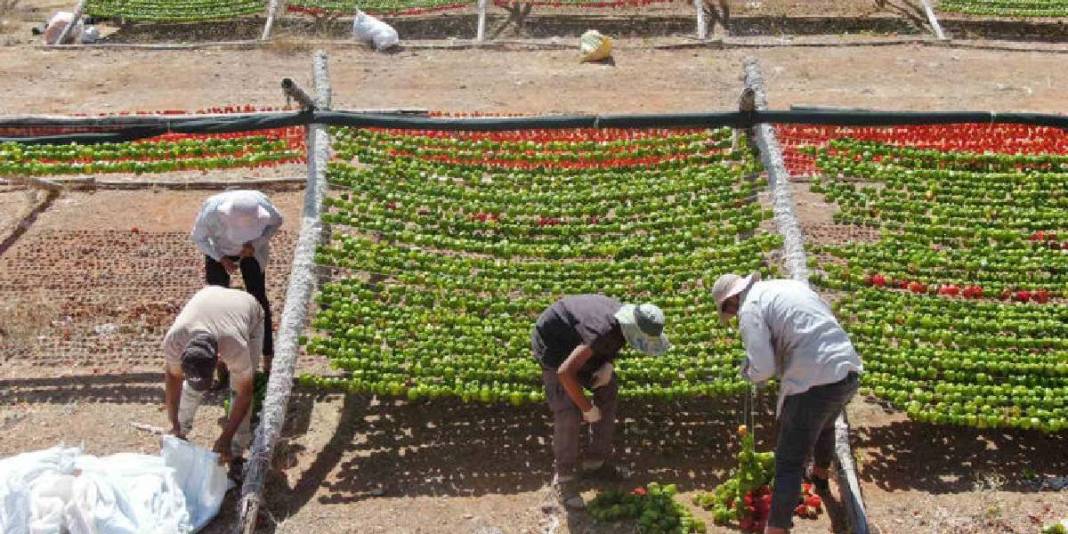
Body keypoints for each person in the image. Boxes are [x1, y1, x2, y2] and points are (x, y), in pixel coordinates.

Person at [712, 273, 862, 534]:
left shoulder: (750, 308)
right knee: (825, 424)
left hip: (813, 380)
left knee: (789, 462)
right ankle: (820, 476)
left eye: (728, 308)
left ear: (732, 299)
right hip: (846, 371)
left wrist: (748, 371)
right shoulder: (787, 287)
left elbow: (764, 367)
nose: (733, 313)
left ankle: (776, 528)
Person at [531, 295, 671, 509]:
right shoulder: (602, 331)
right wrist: (587, 408)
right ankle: (565, 478)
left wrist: (606, 364)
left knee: (608, 390)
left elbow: (607, 344)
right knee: (568, 410)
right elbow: (565, 372)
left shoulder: (622, 324)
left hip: (579, 340)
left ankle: (595, 463)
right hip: (555, 344)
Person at [163, 285, 267, 478]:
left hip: (249, 310)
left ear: (219, 358)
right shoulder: (174, 341)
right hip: (210, 298)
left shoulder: (235, 346)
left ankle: (235, 453)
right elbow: (173, 379)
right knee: (191, 391)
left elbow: (244, 394)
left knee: (238, 389)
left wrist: (225, 438)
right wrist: (174, 422)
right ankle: (181, 432)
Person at [191, 190, 283, 386]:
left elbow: (277, 222)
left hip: (252, 252)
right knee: (216, 304)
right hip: (219, 251)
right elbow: (198, 238)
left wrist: (256, 243)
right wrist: (220, 258)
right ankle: (219, 363)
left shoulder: (263, 204)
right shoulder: (211, 212)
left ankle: (268, 356)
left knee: (259, 301)